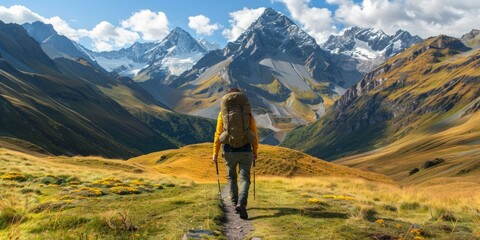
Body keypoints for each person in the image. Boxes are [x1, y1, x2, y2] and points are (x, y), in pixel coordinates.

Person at [212, 88, 258, 220]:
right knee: (245, 178)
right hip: (246, 150)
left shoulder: (223, 114)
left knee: (231, 178)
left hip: (229, 150)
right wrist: (255, 151)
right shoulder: (247, 113)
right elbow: (254, 134)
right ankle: (241, 203)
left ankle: (234, 203)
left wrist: (215, 153)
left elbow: (218, 134)